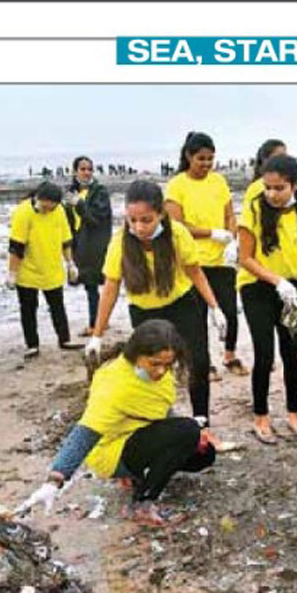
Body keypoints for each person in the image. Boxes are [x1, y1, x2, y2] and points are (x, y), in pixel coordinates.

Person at [22, 320, 216, 514]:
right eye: (155, 364)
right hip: (112, 450)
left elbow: (160, 409)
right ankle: (141, 503)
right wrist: (55, 480)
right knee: (187, 431)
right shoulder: (115, 384)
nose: (161, 371)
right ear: (136, 355)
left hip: (138, 434)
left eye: (167, 364)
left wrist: (193, 435)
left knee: (203, 454)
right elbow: (85, 433)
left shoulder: (159, 374)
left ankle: (138, 474)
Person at [87, 179, 227, 426]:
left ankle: (202, 425)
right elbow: (110, 289)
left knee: (198, 363)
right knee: (151, 371)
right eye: (133, 220)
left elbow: (195, 272)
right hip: (144, 313)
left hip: (181, 305)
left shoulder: (178, 234)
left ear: (161, 214)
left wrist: (215, 308)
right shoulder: (120, 243)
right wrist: (97, 335)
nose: (139, 227)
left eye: (146, 220)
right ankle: (162, 425)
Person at [237, 152, 297, 442]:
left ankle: (294, 413)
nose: (272, 194)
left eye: (279, 188)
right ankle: (260, 415)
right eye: (267, 187)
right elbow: (245, 257)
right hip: (257, 285)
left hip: (293, 288)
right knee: (264, 352)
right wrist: (277, 281)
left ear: (294, 186)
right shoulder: (254, 210)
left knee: (291, 351)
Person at [165, 132, 243, 374]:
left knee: (229, 310)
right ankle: (203, 362)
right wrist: (211, 233)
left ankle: (230, 356)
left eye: (210, 159)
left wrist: (231, 238)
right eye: (201, 159)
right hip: (192, 262)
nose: (206, 164)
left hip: (222, 259)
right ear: (189, 156)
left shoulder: (218, 181)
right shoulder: (177, 185)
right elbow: (177, 225)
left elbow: (230, 214)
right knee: (196, 317)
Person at [7, 180, 79, 357]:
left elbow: (66, 240)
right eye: (46, 207)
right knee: (28, 308)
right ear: (38, 198)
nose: (48, 210)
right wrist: (12, 273)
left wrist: (71, 264)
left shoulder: (59, 211)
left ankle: (64, 339)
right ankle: (32, 345)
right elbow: (16, 246)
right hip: (28, 270)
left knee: (57, 306)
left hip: (52, 267)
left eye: (52, 207)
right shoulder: (23, 212)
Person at [67, 156, 113, 333]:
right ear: (75, 171)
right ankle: (101, 320)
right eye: (83, 169)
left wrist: (80, 205)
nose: (86, 172)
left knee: (93, 284)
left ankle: (95, 324)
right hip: (79, 243)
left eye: (89, 169)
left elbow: (95, 219)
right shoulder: (72, 191)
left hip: (96, 244)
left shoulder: (99, 191)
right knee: (89, 285)